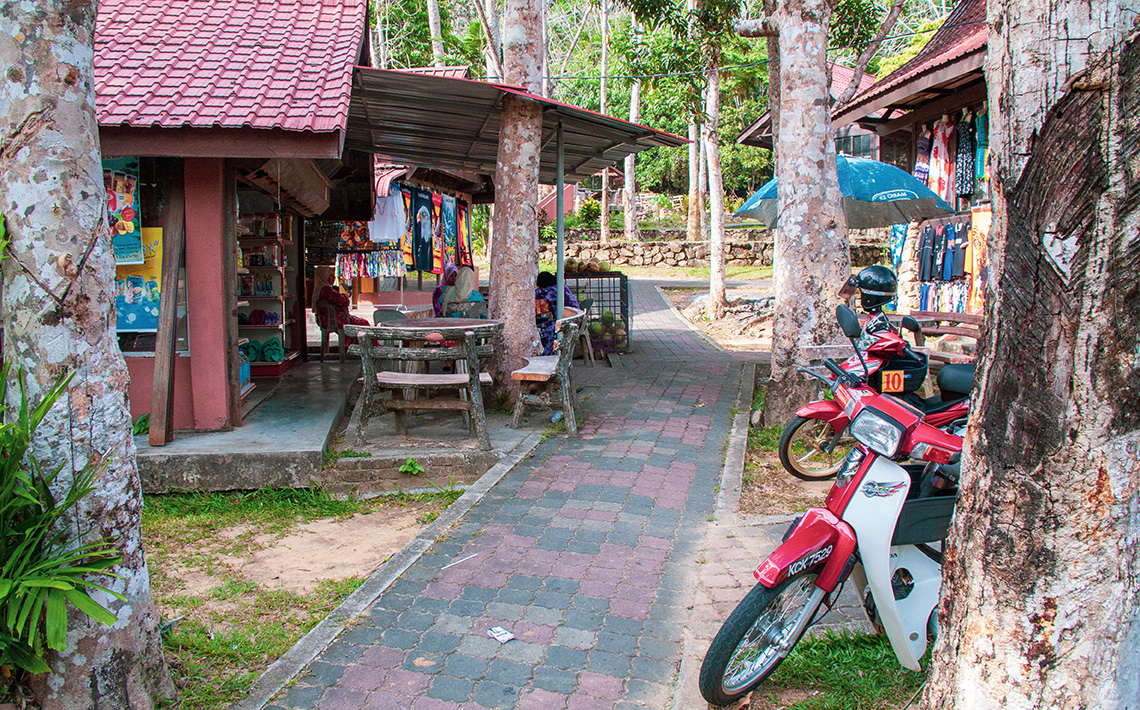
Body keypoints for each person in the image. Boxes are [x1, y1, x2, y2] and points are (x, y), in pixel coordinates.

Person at [311, 265, 368, 333]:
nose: (333, 278)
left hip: (324, 320)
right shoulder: (327, 290)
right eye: (330, 275)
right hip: (334, 320)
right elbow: (343, 301)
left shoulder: (318, 289)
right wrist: (347, 295)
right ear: (324, 276)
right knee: (364, 323)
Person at [535, 271, 579, 355]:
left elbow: (531, 295)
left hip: (567, 322)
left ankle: (547, 356)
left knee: (543, 330)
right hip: (575, 319)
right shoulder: (562, 287)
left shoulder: (549, 291)